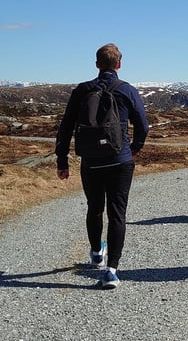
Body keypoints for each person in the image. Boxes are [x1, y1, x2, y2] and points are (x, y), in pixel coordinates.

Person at [55, 43, 149, 289]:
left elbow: (65, 128)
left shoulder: (82, 91)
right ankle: (111, 271)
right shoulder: (127, 90)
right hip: (121, 160)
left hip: (91, 162)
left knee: (94, 207)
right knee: (117, 213)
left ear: (97, 64)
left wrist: (62, 161)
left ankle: (97, 251)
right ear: (119, 64)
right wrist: (135, 148)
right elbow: (143, 125)